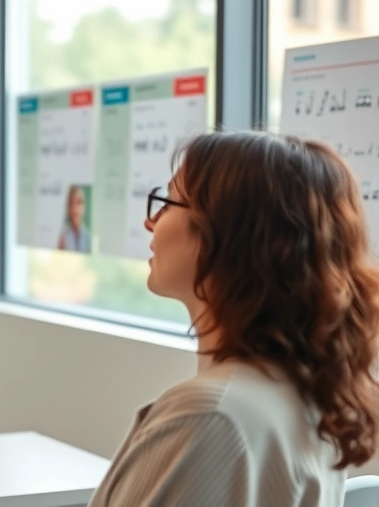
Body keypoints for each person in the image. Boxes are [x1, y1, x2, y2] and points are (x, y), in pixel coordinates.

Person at [88, 132, 379, 506]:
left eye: (167, 203)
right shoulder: (309, 396)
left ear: (225, 235)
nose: (151, 223)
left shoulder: (209, 416)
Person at [56, 184, 91, 253]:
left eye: (79, 202)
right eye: (71, 203)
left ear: (84, 206)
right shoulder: (61, 236)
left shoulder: (89, 237)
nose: (75, 208)